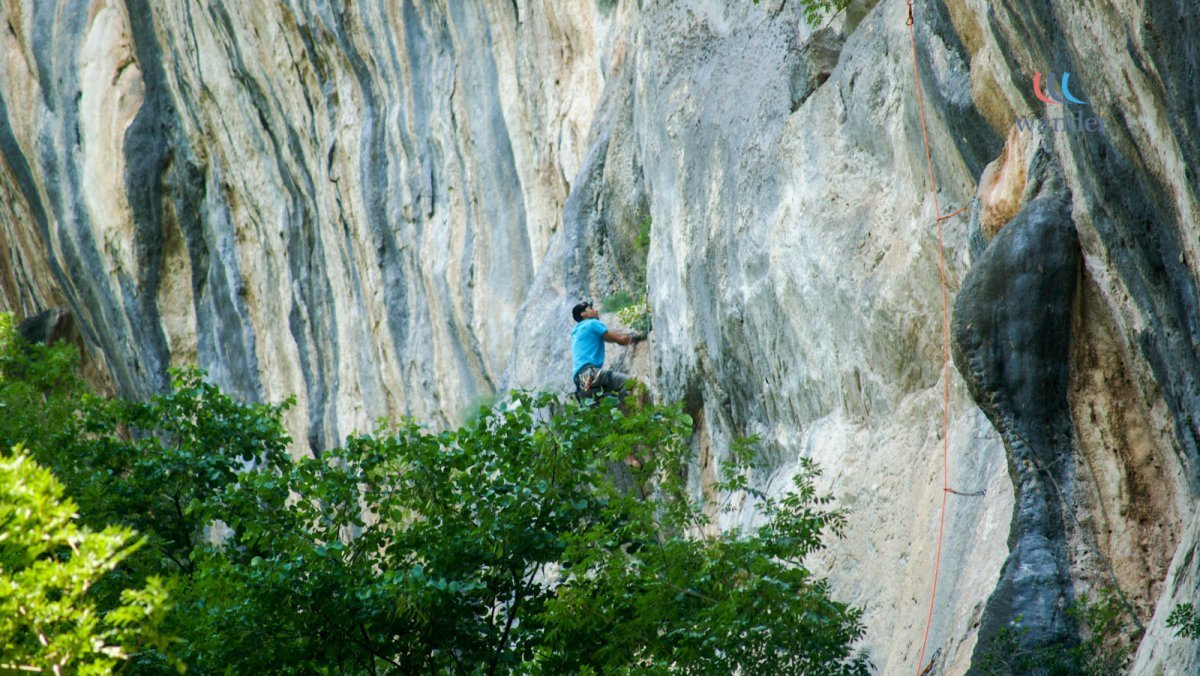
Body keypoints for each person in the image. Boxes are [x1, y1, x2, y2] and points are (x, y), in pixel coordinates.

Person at [570, 300, 644, 401]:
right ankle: (636, 414)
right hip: (591, 374)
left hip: (581, 382)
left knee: (608, 406)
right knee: (631, 384)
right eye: (591, 309)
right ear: (583, 314)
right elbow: (621, 340)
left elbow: (611, 337)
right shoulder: (592, 323)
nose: (596, 310)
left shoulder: (576, 331)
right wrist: (639, 336)